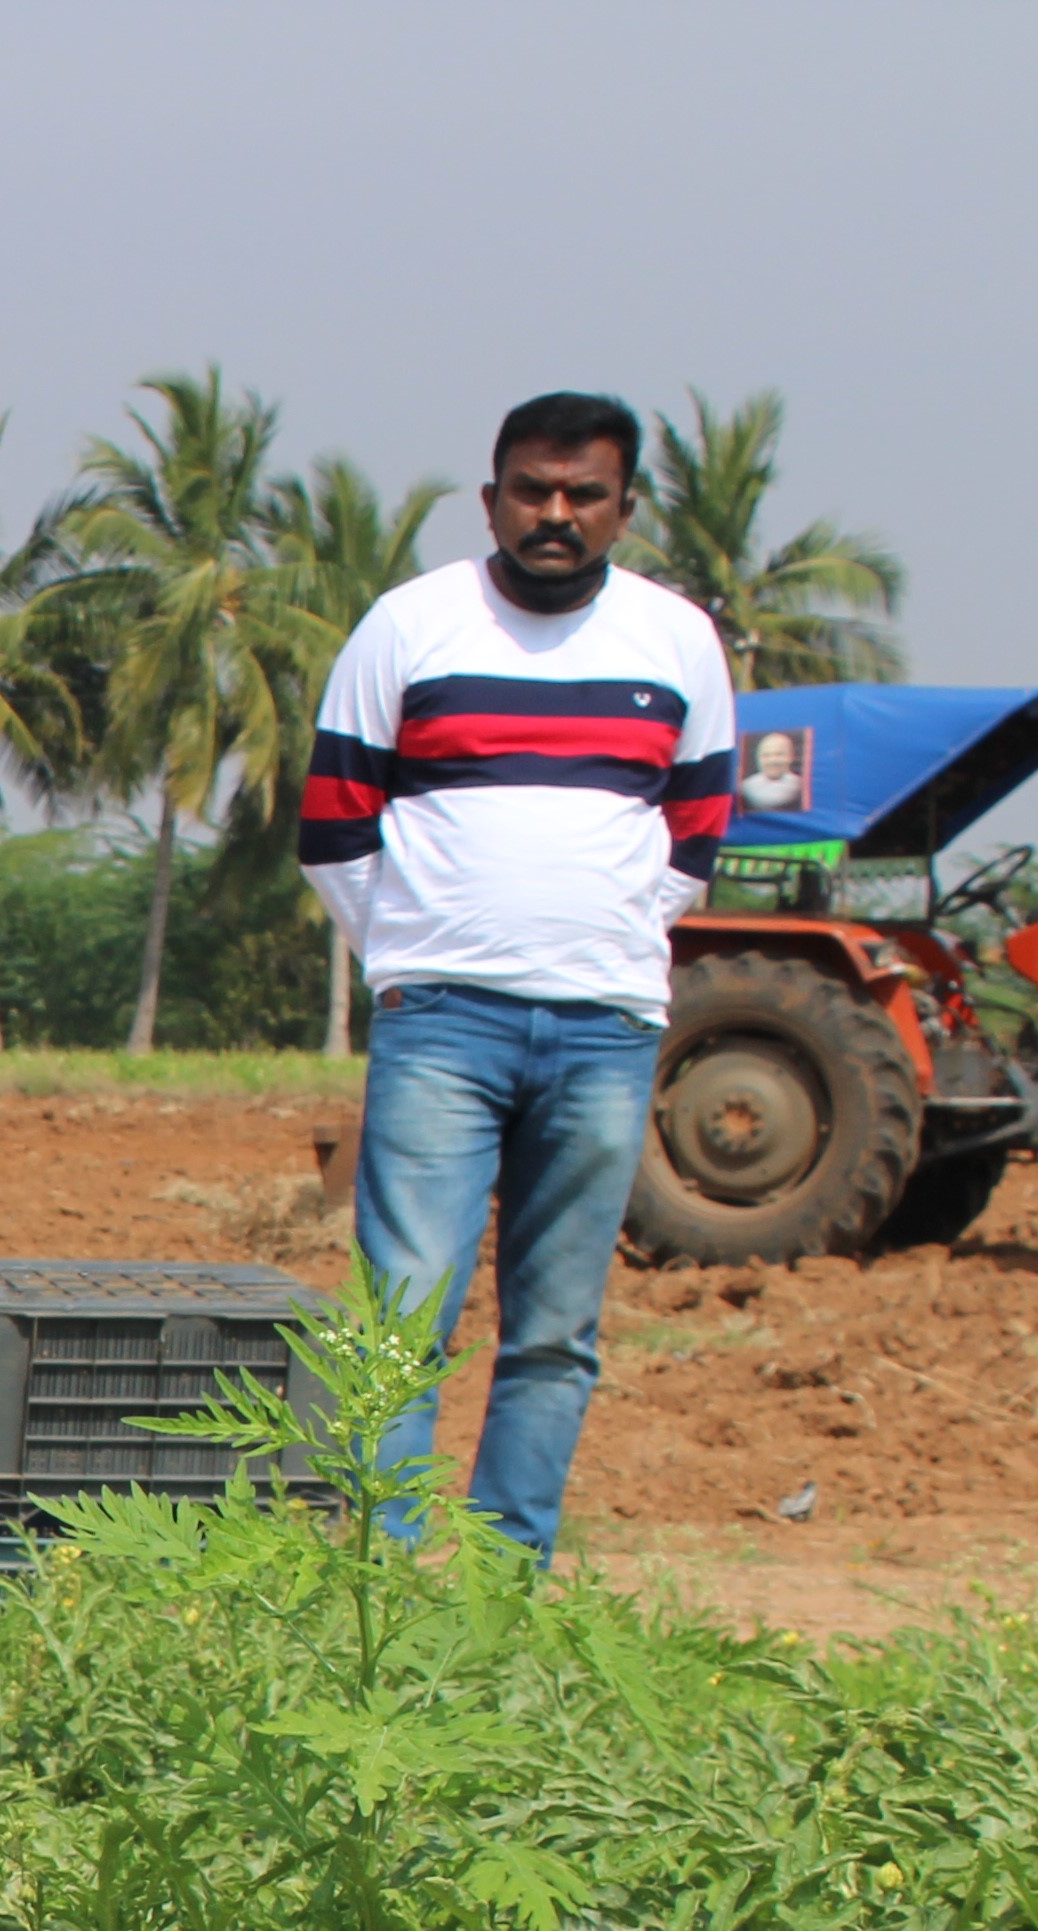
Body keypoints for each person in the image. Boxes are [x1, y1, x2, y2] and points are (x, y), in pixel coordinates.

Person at [299, 388, 734, 1558]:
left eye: (583, 494)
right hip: (443, 1023)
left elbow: (695, 831)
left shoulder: (677, 639)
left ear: (623, 509)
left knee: (554, 1333)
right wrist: (410, 954)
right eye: (531, 491)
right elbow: (337, 824)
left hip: (605, 1030)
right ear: (490, 500)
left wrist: (604, 939)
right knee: (401, 1323)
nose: (555, 514)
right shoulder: (410, 625)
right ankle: (382, 1579)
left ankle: (505, 1579)